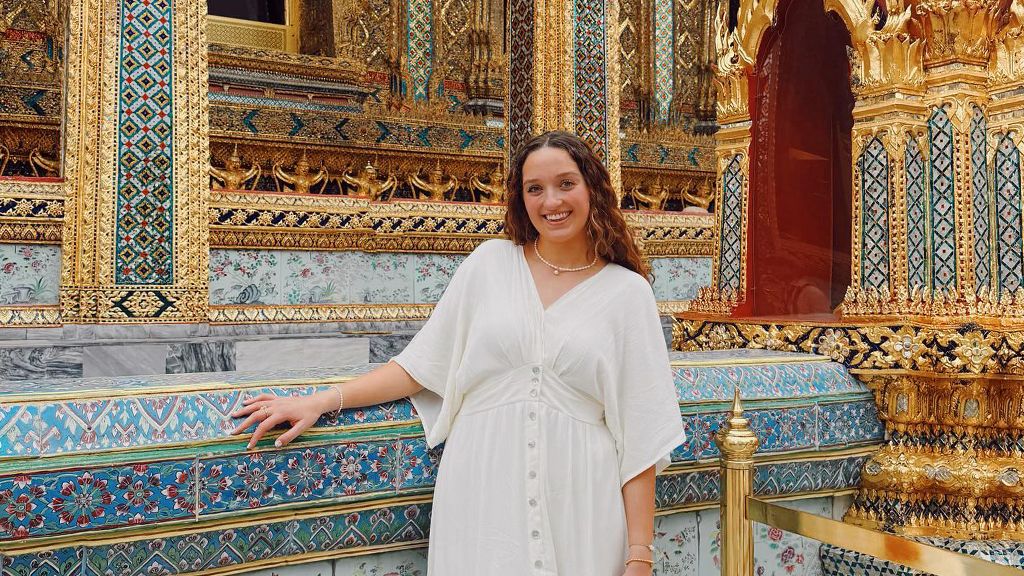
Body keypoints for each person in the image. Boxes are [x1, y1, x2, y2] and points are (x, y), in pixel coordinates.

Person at [231, 130, 686, 575]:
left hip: (584, 499)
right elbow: (419, 366)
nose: (551, 202)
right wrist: (321, 400)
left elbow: (641, 434)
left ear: (593, 189)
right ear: (520, 199)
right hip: (482, 490)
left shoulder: (628, 294)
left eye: (566, 183)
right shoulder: (490, 265)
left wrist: (639, 554)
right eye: (535, 189)